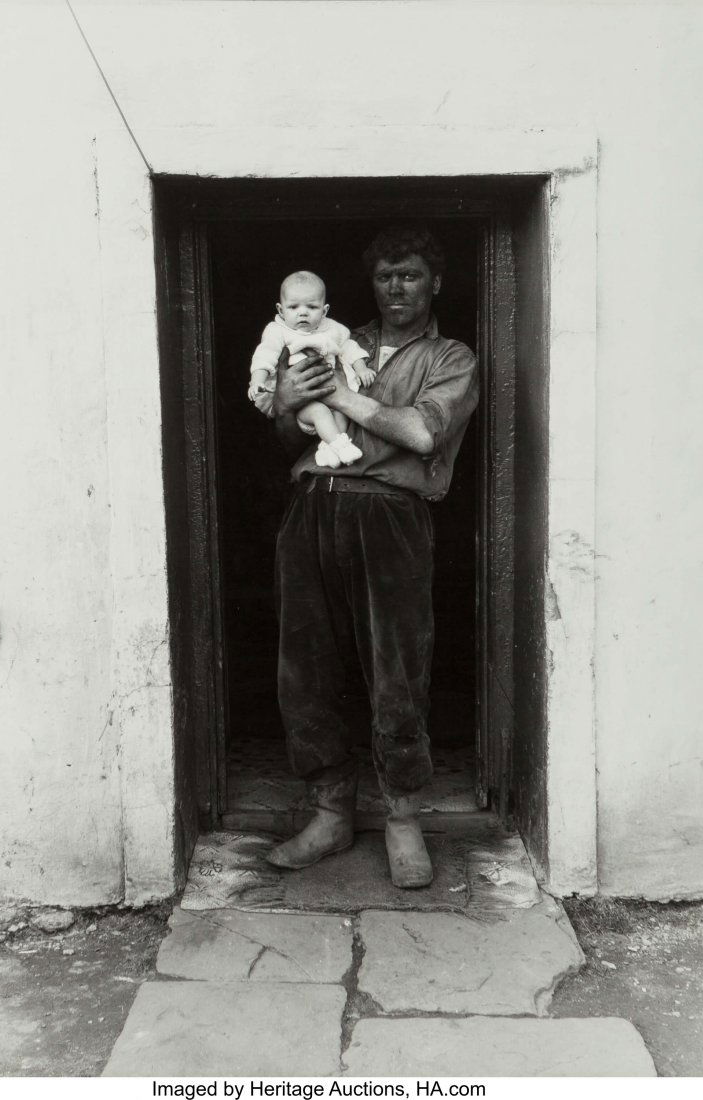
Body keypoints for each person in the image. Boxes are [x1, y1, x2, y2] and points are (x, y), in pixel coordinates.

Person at [266, 226, 479, 888]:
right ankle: (329, 815)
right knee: (306, 665)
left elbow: (418, 431)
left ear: (433, 283)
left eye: (410, 275)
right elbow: (281, 426)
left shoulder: (451, 356)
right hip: (313, 504)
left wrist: (332, 393)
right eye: (386, 276)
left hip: (390, 513)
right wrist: (290, 399)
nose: (396, 287)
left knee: (396, 667)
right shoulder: (336, 337)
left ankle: (402, 820)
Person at [248, 271, 377, 468]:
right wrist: (257, 380)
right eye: (293, 307)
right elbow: (264, 355)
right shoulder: (278, 331)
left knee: (342, 412)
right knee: (320, 412)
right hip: (302, 401)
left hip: (332, 393)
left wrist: (361, 369)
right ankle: (340, 446)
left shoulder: (332, 329)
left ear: (324, 311)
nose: (303, 312)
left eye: (312, 307)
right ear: (280, 310)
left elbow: (349, 348)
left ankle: (328, 449)